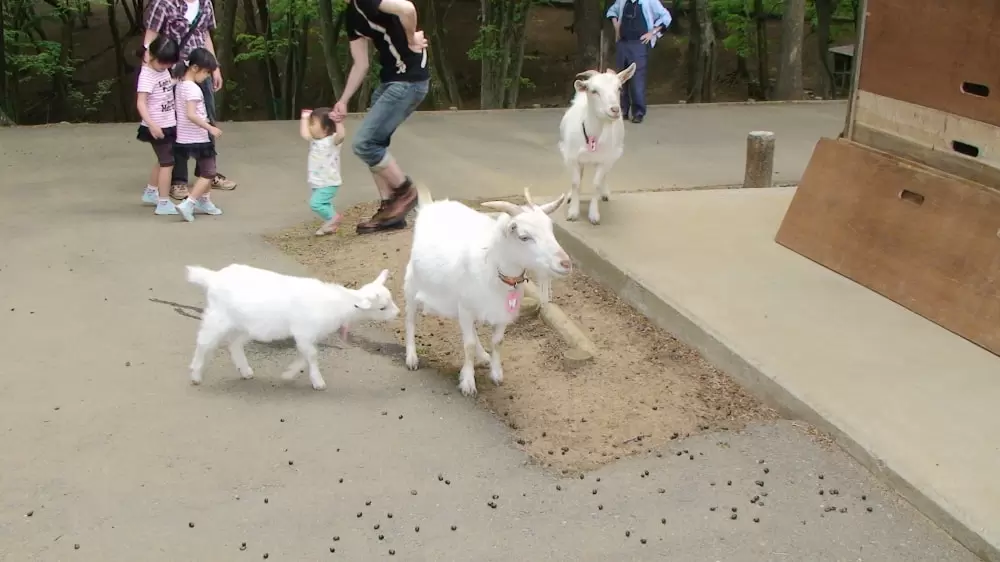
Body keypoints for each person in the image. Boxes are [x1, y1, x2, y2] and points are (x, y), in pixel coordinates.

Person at [332, 0, 430, 234]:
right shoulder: (351, 15)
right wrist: (344, 99)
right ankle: (390, 210)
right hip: (390, 81)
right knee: (375, 145)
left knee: (365, 144)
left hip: (409, 81)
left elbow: (407, 9)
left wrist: (410, 39)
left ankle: (405, 192)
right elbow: (361, 64)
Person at [142, 0, 238, 199]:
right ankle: (178, 181)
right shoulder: (164, 4)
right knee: (178, 125)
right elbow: (150, 39)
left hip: (201, 71)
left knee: (207, 119)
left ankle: (207, 172)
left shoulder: (205, 4)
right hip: (174, 72)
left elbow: (205, 36)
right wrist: (150, 72)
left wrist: (215, 67)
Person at [173, 48, 224, 222]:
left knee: (204, 169)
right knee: (209, 172)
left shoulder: (180, 84)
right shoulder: (193, 89)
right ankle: (190, 202)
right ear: (194, 68)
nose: (207, 76)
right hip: (197, 137)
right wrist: (210, 128)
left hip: (185, 136)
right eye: (206, 72)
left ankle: (205, 200)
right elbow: (192, 114)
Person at [136, 36, 181, 216]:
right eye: (162, 64)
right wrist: (152, 125)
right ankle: (163, 202)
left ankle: (151, 191)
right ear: (151, 56)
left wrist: (176, 82)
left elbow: (163, 87)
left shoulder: (163, 70)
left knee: (163, 160)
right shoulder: (146, 74)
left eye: (168, 64)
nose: (165, 67)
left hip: (168, 122)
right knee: (168, 163)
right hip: (156, 125)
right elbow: (141, 103)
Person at [605, 0, 672, 124]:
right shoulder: (622, 1)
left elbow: (666, 17)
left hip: (639, 44)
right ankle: (622, 110)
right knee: (620, 79)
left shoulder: (650, 1)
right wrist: (616, 25)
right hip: (623, 43)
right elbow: (612, 11)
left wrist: (652, 32)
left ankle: (638, 112)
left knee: (637, 79)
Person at [299, 108, 346, 236]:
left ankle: (333, 219)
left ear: (325, 128)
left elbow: (341, 135)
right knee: (324, 203)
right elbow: (304, 133)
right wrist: (305, 118)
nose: (309, 127)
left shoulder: (332, 141)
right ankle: (331, 224)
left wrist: (338, 122)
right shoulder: (315, 140)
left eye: (312, 124)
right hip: (317, 182)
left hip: (329, 182)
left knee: (316, 204)